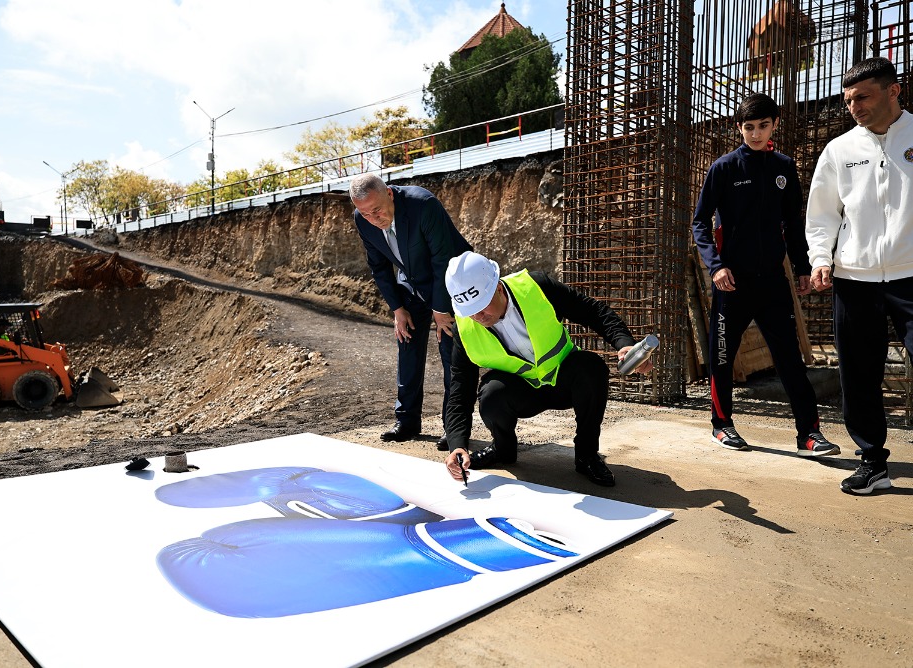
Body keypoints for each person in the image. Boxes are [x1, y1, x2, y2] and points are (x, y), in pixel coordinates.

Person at [691, 92, 839, 457]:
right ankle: (721, 425)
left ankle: (809, 435)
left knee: (790, 359)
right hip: (732, 283)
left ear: (774, 124)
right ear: (738, 128)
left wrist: (802, 269)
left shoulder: (784, 167)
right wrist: (716, 266)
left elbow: (793, 223)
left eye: (762, 126)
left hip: (773, 282)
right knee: (722, 356)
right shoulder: (723, 168)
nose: (755, 134)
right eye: (748, 127)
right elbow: (699, 224)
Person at [441, 251, 652, 487]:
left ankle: (586, 455)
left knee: (592, 368)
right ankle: (503, 450)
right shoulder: (465, 329)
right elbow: (460, 389)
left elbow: (594, 312)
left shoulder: (537, 287)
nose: (478, 317)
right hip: (522, 392)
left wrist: (625, 344)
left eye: (482, 307)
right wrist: (457, 443)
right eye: (470, 311)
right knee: (490, 393)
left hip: (564, 381)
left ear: (498, 288)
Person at [806, 57, 912, 495]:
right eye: (848, 99)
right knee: (858, 373)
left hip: (911, 275)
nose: (854, 107)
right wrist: (820, 258)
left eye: (863, 97)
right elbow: (822, 213)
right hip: (854, 278)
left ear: (894, 91)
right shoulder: (840, 150)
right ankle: (872, 462)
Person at [350, 173, 471, 449]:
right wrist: (397, 308)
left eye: (377, 210)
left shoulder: (422, 204)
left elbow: (444, 259)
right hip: (411, 284)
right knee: (407, 345)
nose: (373, 218)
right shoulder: (363, 218)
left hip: (450, 281)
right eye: (365, 213)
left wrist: (441, 309)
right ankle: (406, 421)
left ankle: (452, 428)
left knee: (451, 354)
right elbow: (379, 266)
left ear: (390, 194)